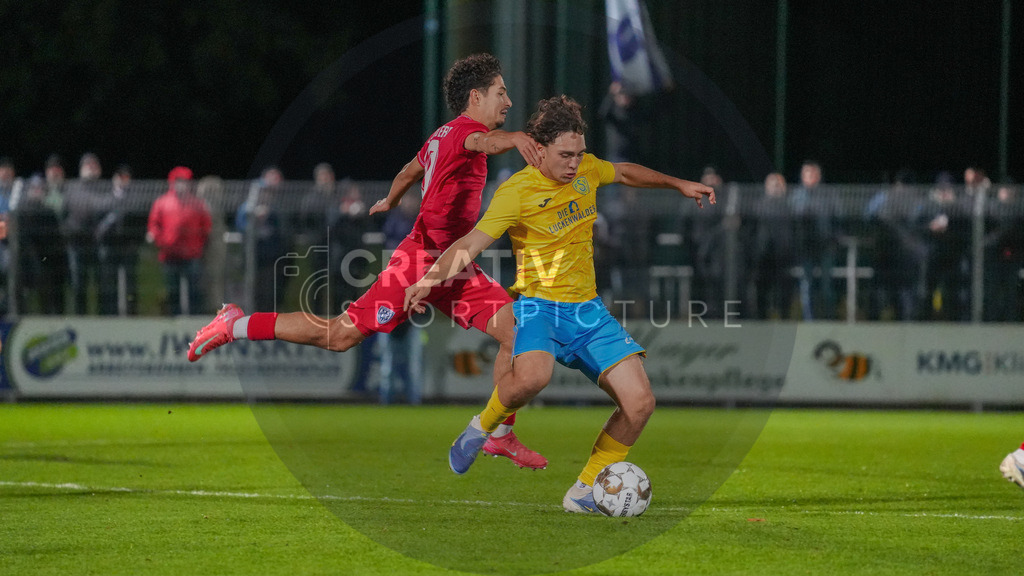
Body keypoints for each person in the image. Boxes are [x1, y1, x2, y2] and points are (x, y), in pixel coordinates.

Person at [187, 53, 547, 470]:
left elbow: (409, 170)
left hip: (456, 265)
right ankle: (235, 323)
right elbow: (486, 142)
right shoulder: (468, 133)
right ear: (475, 96)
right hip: (419, 260)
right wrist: (517, 138)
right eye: (501, 93)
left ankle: (499, 434)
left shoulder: (440, 136)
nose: (508, 101)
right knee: (340, 336)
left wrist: (390, 200)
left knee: (517, 333)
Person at [404, 95, 715, 513]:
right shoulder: (517, 192)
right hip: (539, 306)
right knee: (532, 378)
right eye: (565, 155)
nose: (574, 163)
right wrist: (429, 279)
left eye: (579, 154)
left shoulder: (586, 171)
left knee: (641, 403)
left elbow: (622, 172)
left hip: (588, 311)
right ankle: (480, 427)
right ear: (539, 149)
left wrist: (678, 184)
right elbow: (471, 243)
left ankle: (584, 491)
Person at [147, 166, 212, 315]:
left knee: (195, 291)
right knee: (172, 290)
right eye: (178, 181)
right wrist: (161, 241)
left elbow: (206, 226)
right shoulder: (162, 202)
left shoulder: (197, 203)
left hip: (192, 254)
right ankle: (174, 320)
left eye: (185, 181)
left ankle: (195, 320)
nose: (181, 185)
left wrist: (199, 244)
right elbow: (154, 224)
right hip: (169, 254)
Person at [63, 152, 108, 314]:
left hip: (97, 242)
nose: (91, 168)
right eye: (87, 165)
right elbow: (64, 212)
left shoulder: (104, 188)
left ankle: (104, 317)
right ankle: (80, 316)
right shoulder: (72, 188)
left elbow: (109, 209)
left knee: (101, 283)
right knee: (78, 284)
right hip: (76, 243)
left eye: (94, 165)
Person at [749, 172, 796, 319]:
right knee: (762, 290)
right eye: (773, 184)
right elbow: (751, 231)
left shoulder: (791, 207)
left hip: (784, 256)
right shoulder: (757, 206)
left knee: (784, 291)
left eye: (779, 184)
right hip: (763, 257)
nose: (776, 187)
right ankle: (761, 319)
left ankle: (785, 317)